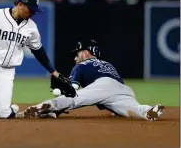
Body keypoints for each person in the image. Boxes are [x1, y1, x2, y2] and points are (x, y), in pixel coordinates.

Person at [17, 39, 164, 121]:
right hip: (123, 89)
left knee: (72, 99)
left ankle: (44, 106)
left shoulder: (82, 65)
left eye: (77, 54)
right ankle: (147, 111)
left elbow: (72, 90)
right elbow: (110, 91)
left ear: (86, 53)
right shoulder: (108, 64)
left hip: (102, 86)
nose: (75, 58)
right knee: (131, 108)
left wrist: (63, 89)